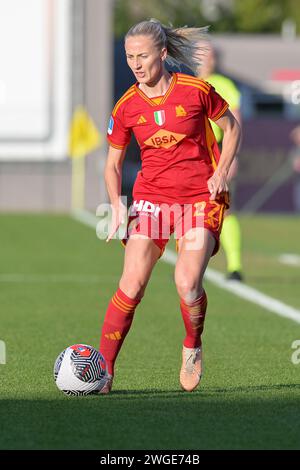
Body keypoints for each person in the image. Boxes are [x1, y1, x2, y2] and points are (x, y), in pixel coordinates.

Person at [99, 19, 241, 393]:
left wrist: (222, 171)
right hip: (152, 200)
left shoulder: (196, 91)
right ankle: (104, 371)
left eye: (142, 55)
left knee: (187, 282)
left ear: (162, 53)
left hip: (199, 198)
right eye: (129, 56)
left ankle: (192, 345)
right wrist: (117, 205)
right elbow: (112, 164)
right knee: (131, 283)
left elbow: (232, 128)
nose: (135, 64)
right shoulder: (127, 106)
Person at [197, 42, 244, 281]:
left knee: (225, 209)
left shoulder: (224, 85)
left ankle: (235, 266)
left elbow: (235, 123)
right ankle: (191, 266)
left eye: (211, 55)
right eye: (203, 54)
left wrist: (231, 157)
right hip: (191, 157)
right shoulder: (184, 83)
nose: (207, 59)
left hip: (216, 156)